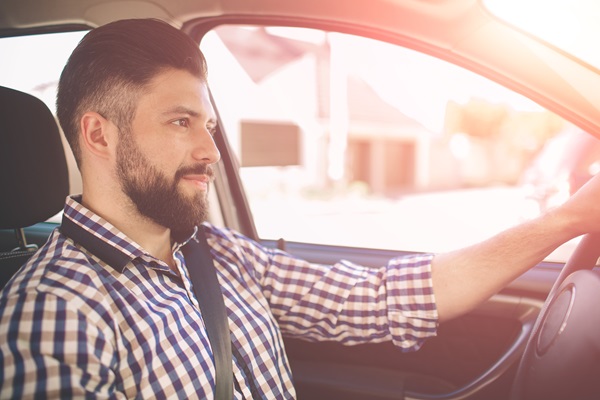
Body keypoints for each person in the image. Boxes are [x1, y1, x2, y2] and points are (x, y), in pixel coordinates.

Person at [1, 18, 599, 399]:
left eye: (207, 124)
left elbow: (384, 299)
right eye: (180, 122)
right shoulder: (53, 312)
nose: (209, 149)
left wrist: (567, 221)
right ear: (99, 135)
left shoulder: (215, 252)